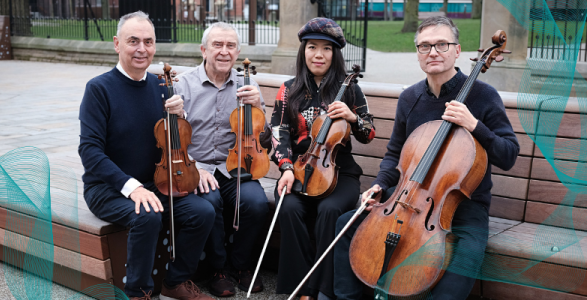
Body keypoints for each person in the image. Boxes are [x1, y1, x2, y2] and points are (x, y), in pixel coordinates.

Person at [332, 16, 520, 300]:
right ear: (418, 54)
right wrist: (380, 186)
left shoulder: (483, 96)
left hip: (465, 205)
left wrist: (474, 125)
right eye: (424, 46)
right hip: (407, 196)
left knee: (464, 262)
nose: (433, 52)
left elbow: (508, 155)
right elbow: (395, 153)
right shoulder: (410, 98)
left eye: (441, 44)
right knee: (347, 224)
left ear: (457, 51)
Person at [79, 11, 215, 300]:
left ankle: (175, 282)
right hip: (108, 188)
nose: (142, 49)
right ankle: (139, 292)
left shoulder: (161, 86)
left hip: (155, 183)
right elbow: (89, 150)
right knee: (148, 216)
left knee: (203, 212)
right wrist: (132, 187)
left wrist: (180, 117)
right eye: (133, 41)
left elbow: (170, 143)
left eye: (148, 42)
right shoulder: (99, 89)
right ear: (117, 44)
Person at [270, 18, 376, 300]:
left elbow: (368, 133)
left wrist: (353, 118)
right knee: (289, 207)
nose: (319, 54)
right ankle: (300, 288)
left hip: (340, 173)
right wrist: (286, 168)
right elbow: (278, 133)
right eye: (312, 47)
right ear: (303, 51)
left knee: (330, 210)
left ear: (335, 54)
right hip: (300, 171)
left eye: (326, 49)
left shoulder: (349, 88)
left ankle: (322, 287)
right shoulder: (288, 89)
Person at [172, 22, 270, 297]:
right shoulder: (183, 84)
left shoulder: (247, 84)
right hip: (198, 166)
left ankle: (241, 265)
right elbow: (173, 141)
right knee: (210, 201)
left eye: (230, 46)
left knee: (256, 202)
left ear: (237, 52)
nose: (224, 52)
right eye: (217, 45)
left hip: (235, 166)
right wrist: (194, 168)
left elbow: (264, 140)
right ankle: (218, 269)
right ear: (203, 49)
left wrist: (259, 106)